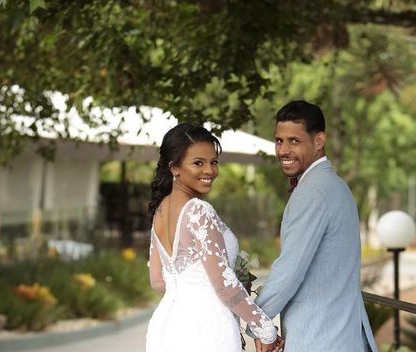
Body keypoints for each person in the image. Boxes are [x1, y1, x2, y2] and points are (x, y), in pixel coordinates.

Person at [249, 100, 378, 352]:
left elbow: (289, 271)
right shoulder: (336, 186)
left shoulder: (313, 191)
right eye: (279, 141)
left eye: (294, 141)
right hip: (344, 337)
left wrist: (257, 322)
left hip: (319, 338)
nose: (283, 150)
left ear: (319, 141)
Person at [146, 123, 285, 352]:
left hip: (166, 329)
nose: (210, 170)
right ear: (174, 168)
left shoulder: (161, 210)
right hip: (206, 330)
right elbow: (224, 286)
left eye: (214, 162)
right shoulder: (198, 211)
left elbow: (158, 281)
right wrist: (266, 330)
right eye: (198, 163)